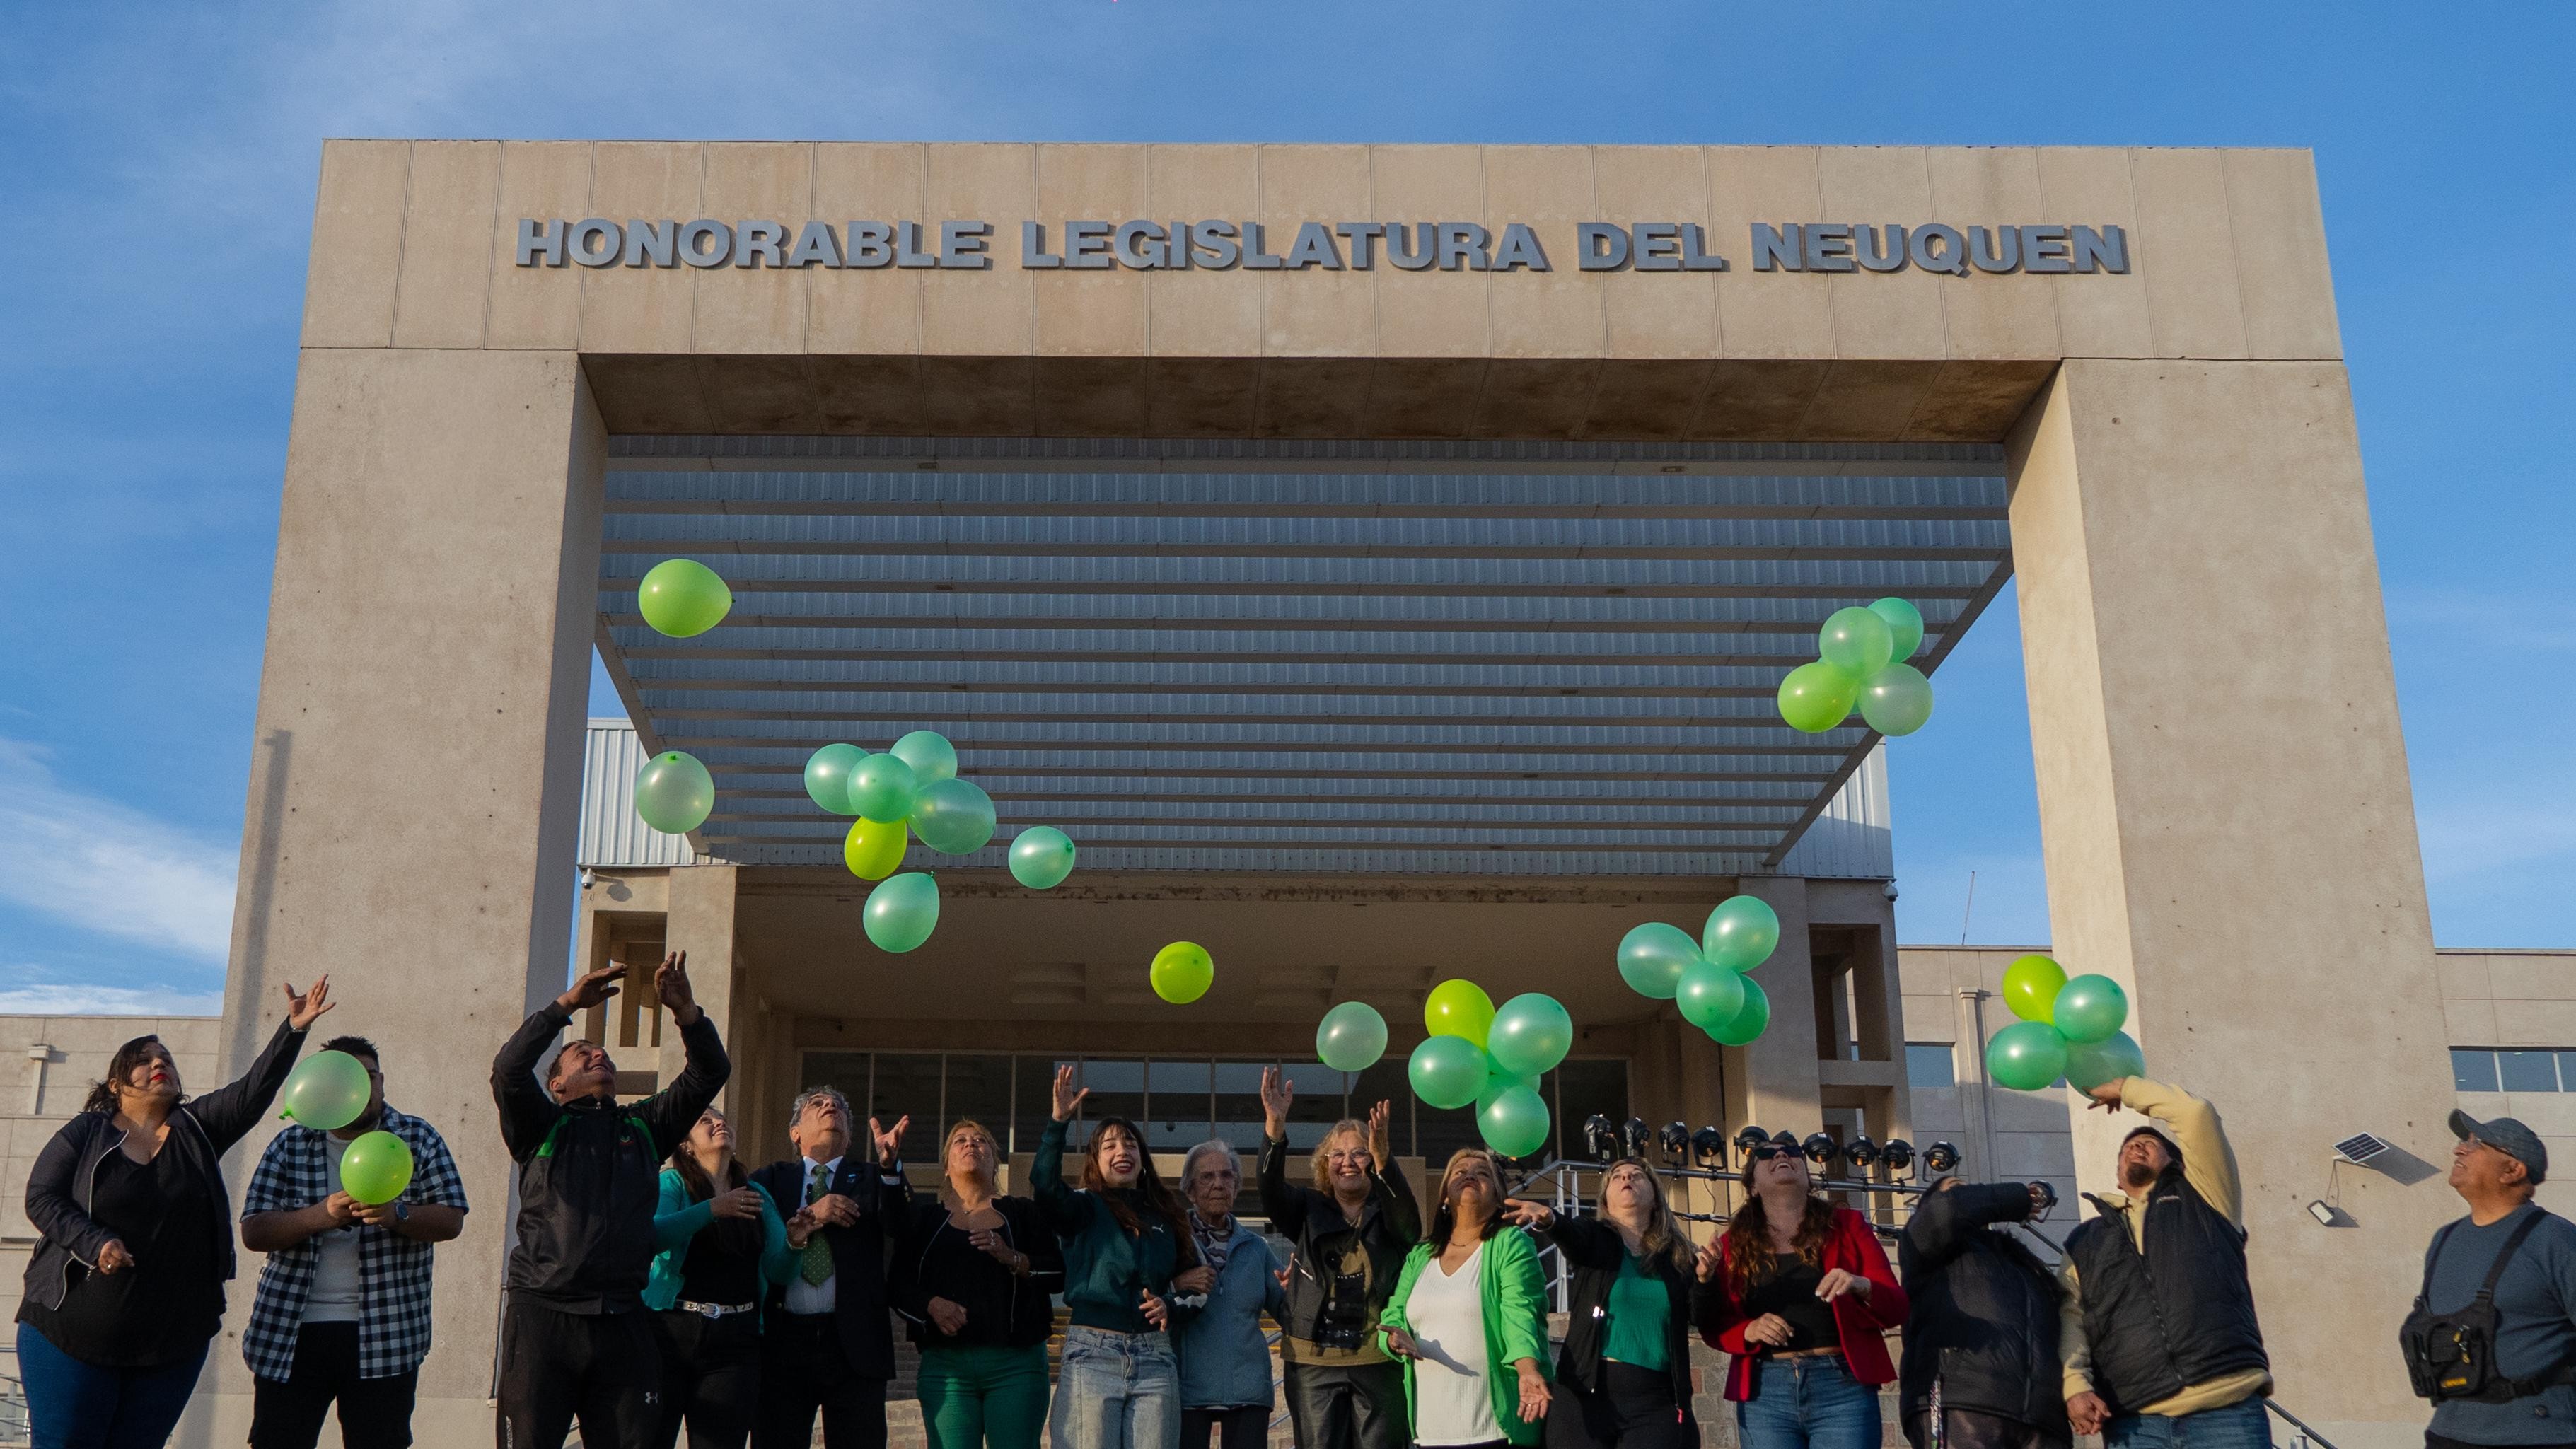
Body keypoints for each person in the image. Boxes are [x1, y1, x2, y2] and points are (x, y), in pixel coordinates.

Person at [17, 977, 332, 1449]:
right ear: (116, 1083)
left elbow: (254, 1090)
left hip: (172, 1344)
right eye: (143, 1059)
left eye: (165, 1057)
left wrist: (293, 1029)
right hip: (68, 1332)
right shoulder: (87, 1133)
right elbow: (42, 1196)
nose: (158, 1063)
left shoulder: (199, 1129)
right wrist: (94, 1241)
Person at [492, 951, 730, 1449]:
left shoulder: (643, 1126)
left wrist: (687, 1013)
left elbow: (710, 1071)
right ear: (557, 1084)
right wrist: (566, 1005)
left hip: (623, 1318)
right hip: (543, 1314)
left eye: (603, 1053)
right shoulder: (540, 1125)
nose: (598, 1055)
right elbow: (509, 1070)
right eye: (583, 1053)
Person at [239, 1033, 472, 1449]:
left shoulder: (417, 1137)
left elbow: (451, 1218)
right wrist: (320, 1216)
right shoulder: (290, 1144)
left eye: (372, 1076)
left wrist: (397, 1215)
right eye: (352, 1078)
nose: (365, 1088)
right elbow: (254, 1231)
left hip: (388, 1334)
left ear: (382, 1081)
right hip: (291, 1333)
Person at [2056, 1077, 2270, 1447]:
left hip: (2227, 1410)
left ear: (2178, 1163)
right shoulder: (2085, 1240)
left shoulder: (2207, 1198)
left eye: (2149, 1143)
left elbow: (2196, 1114)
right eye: (2127, 1148)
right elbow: (2070, 1317)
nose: (2136, 1146)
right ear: (2118, 1178)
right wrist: (2075, 1387)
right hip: (2135, 1422)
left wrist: (2126, 1089)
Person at [1690, 1133, 1907, 1449]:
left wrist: (1861, 1285)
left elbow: (1897, 1308)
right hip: (1766, 1391)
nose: (1782, 1156)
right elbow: (1711, 1324)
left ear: (1808, 1178)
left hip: (1841, 1387)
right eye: (1767, 1154)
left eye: (1792, 1151)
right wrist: (1746, 1328)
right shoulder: (1732, 1244)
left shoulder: (1848, 1226)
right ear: (1753, 1186)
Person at [1034, 1064, 1203, 1449]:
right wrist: (1057, 1124)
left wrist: (1171, 1304)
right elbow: (1044, 1187)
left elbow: (1200, 1287)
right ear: (1095, 1160)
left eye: (1130, 1144)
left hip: (1156, 1359)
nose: (1122, 1151)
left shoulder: (1169, 1216)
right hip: (1091, 1356)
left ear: (1142, 1158)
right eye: (1109, 1146)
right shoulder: (1084, 1207)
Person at [1258, 1068, 1421, 1449]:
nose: (1348, 1161)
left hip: (1378, 1360)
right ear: (1325, 1164)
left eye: (1360, 1153)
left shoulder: (1389, 1210)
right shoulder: (1306, 1208)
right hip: (1313, 1363)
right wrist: (1275, 1127)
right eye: (1338, 1154)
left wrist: (1385, 1159)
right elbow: (1269, 1189)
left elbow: (1410, 1228)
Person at [748, 1086, 912, 1449]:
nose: (830, 1107)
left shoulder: (872, 1177)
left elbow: (901, 1227)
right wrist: (813, 1214)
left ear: (850, 1138)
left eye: (838, 1106)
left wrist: (890, 1169)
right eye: (818, 1104)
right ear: (795, 1133)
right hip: (783, 1342)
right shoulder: (769, 1180)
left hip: (854, 1343)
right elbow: (753, 1242)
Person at [2403, 1111, 2576, 1443]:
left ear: (2512, 1171)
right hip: (2448, 1434)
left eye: (2476, 1144)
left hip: (2539, 1435)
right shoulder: (2444, 1239)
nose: (2459, 1149)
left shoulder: (2555, 1240)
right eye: (2463, 1142)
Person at [890, 1119, 1065, 1449]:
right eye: (960, 1141)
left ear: (995, 1162)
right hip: (946, 1369)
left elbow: (1057, 1274)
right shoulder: (925, 1220)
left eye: (981, 1140)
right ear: (946, 1167)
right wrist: (931, 1306)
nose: (971, 1144)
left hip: (1016, 1366)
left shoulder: (1024, 1213)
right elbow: (898, 1286)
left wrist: (1012, 1257)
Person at [1502, 1158, 1698, 1449]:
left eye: (1637, 1175)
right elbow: (1571, 1235)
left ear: (1656, 1198)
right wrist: (1551, 1220)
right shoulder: (1595, 1239)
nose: (1626, 1178)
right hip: (1584, 1395)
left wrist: (1706, 1280)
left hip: (1653, 1399)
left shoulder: (1679, 1258)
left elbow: (1700, 1316)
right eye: (1617, 1176)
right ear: (1605, 1200)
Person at [1377, 1148, 1553, 1449]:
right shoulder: (1420, 1256)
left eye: (1482, 1174)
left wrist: (1527, 1370)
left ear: (1498, 1198)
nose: (1470, 1175)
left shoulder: (1510, 1244)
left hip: (1492, 1427)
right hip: (1429, 1428)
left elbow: (1521, 1312)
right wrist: (1394, 1339)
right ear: (1445, 1196)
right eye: (1459, 1172)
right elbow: (1394, 1314)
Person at [648, 1106, 795, 1449]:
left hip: (735, 1340)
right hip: (669, 1332)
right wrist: (713, 1208)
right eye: (706, 1120)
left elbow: (780, 1271)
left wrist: (796, 1243)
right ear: (685, 1145)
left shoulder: (756, 1193)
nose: (719, 1124)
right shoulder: (672, 1182)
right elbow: (654, 1235)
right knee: (649, 1439)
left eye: (723, 1120)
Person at [1896, 1178, 2065, 1449]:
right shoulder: (1923, 1240)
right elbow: (1947, 1211)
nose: (1971, 1191)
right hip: (1962, 1403)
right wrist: (2015, 1197)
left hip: (2040, 1418)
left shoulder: (2021, 1266)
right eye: (1958, 1188)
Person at [1172, 1139, 1288, 1449]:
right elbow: (1149, 1298)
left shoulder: (1256, 1248)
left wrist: (1296, 1290)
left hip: (1249, 1391)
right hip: (1187, 1390)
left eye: (1227, 1176)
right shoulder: (1172, 1240)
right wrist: (1176, 1285)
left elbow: (1287, 1309)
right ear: (1190, 1190)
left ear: (1236, 1187)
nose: (1218, 1184)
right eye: (1207, 1177)